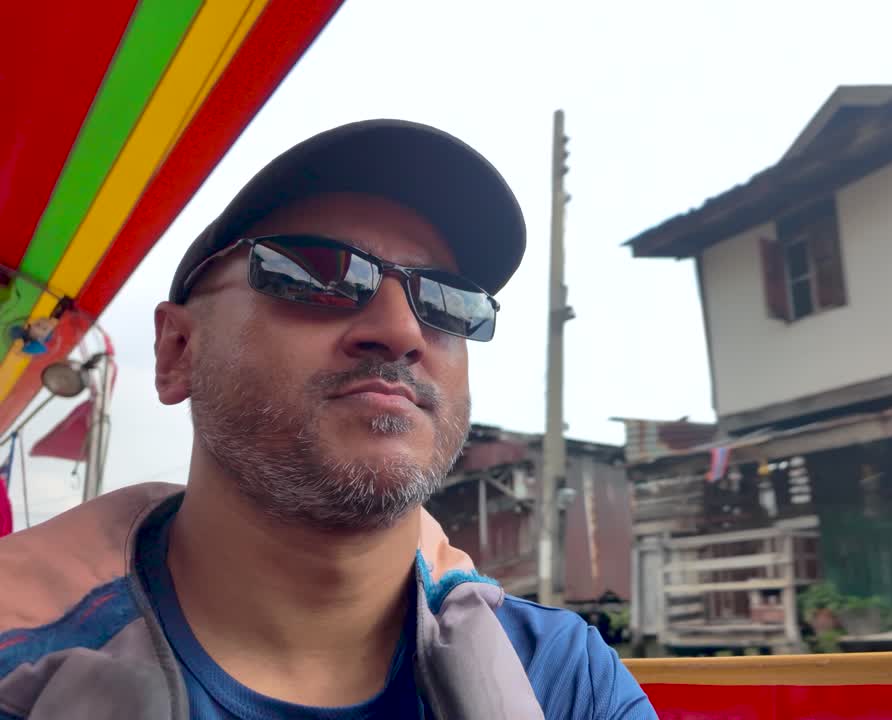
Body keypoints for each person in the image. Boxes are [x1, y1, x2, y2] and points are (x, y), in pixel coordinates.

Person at [0, 120, 657, 719]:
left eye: (450, 303)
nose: (402, 332)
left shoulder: (563, 680)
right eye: (315, 273)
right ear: (178, 351)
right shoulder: (20, 663)